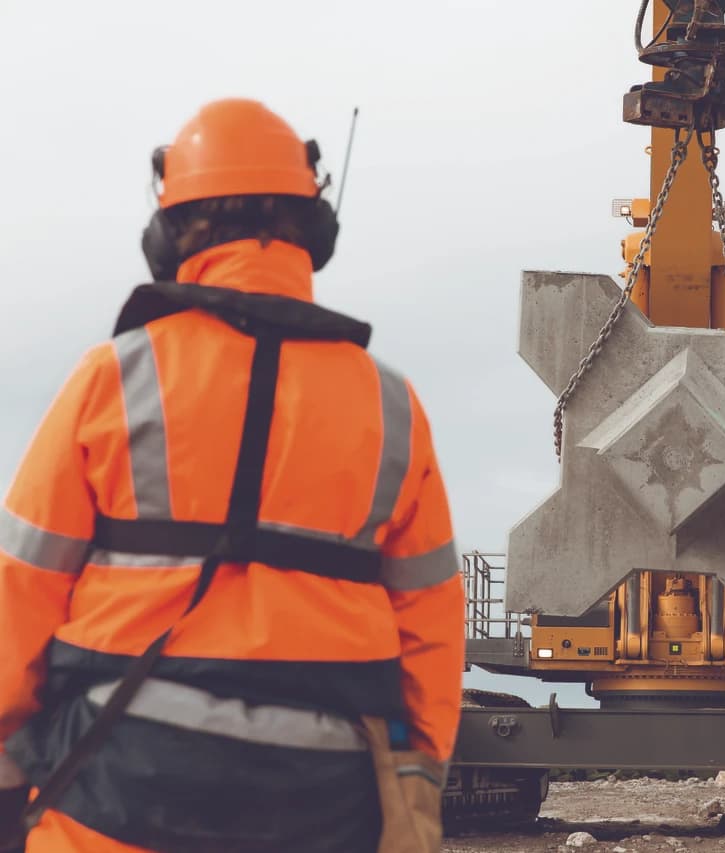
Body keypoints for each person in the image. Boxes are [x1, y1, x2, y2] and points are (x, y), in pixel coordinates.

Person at [0, 99, 463, 852]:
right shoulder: (390, 403)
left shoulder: (113, 377)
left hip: (116, 786)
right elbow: (432, 622)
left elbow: (20, 591)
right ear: (314, 231)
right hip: (327, 797)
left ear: (169, 231)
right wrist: (413, 782)